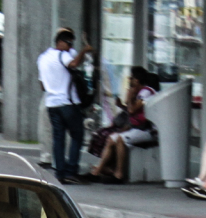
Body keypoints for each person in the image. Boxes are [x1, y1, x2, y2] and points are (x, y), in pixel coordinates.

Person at [37, 28, 93, 184]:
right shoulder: (63, 55)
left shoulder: (42, 58)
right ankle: (71, 171)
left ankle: (60, 172)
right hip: (67, 103)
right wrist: (85, 50)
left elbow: (42, 85)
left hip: (51, 104)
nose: (70, 47)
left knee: (58, 138)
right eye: (68, 43)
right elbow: (74, 64)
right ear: (60, 42)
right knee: (77, 135)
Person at [88, 67, 157, 182]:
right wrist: (122, 105)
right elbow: (133, 112)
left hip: (148, 130)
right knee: (111, 138)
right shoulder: (140, 92)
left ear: (137, 80)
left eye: (132, 78)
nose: (130, 80)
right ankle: (98, 171)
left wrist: (129, 98)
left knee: (120, 139)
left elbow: (132, 110)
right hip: (138, 128)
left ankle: (118, 174)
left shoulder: (146, 92)